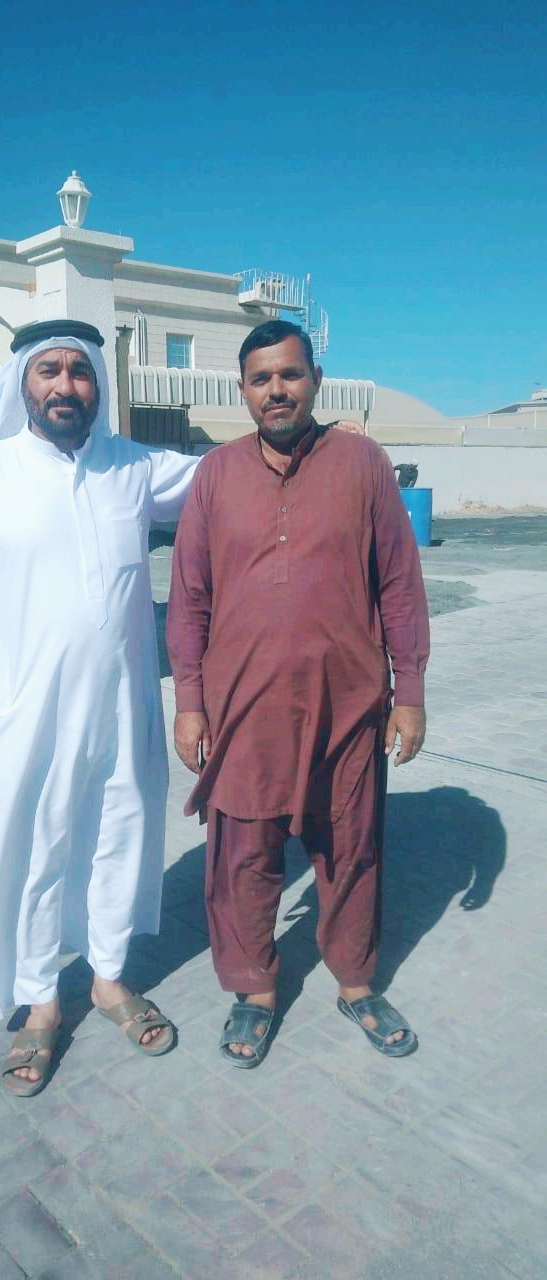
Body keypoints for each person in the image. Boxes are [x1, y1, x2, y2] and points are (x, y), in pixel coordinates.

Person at [0, 320, 200, 1096]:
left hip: (120, 710)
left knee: (120, 836)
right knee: (30, 854)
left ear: (98, 383)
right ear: (24, 384)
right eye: (49, 371)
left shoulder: (133, 467)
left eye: (80, 371)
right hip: (22, 715)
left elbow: (228, 479)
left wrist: (314, 447)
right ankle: (39, 1003)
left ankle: (110, 979)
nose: (65, 385)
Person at [166, 319, 429, 1068]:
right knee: (244, 855)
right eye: (261, 379)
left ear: (315, 380)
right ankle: (254, 989)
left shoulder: (363, 463)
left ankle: (355, 980)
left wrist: (409, 690)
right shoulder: (215, 474)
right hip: (243, 708)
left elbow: (399, 583)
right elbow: (189, 596)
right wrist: (190, 701)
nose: (276, 390)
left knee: (349, 849)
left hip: (349, 701)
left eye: (289, 374)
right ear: (242, 391)